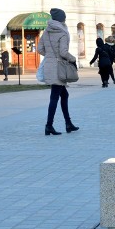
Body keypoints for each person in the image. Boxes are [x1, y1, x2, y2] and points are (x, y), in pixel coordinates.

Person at [37, 8, 79, 136]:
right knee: (54, 97)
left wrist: (50, 56)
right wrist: (73, 59)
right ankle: (49, 126)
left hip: (49, 66)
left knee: (63, 95)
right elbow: (63, 52)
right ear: (62, 18)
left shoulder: (46, 31)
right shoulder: (63, 32)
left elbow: (40, 49)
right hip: (59, 67)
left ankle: (68, 123)